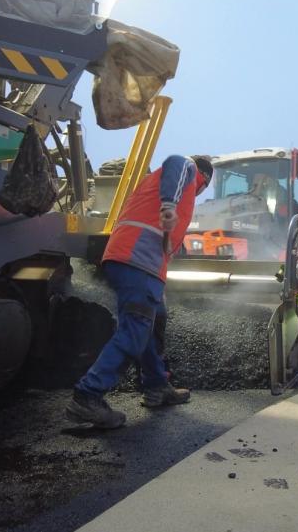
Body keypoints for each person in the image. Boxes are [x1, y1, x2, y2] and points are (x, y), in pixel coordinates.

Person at [65, 154, 214, 429]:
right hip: (138, 262)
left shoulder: (173, 192)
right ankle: (88, 395)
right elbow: (176, 163)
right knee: (134, 331)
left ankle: (157, 385)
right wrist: (169, 206)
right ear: (205, 180)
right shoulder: (188, 169)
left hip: (137, 263)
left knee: (154, 321)